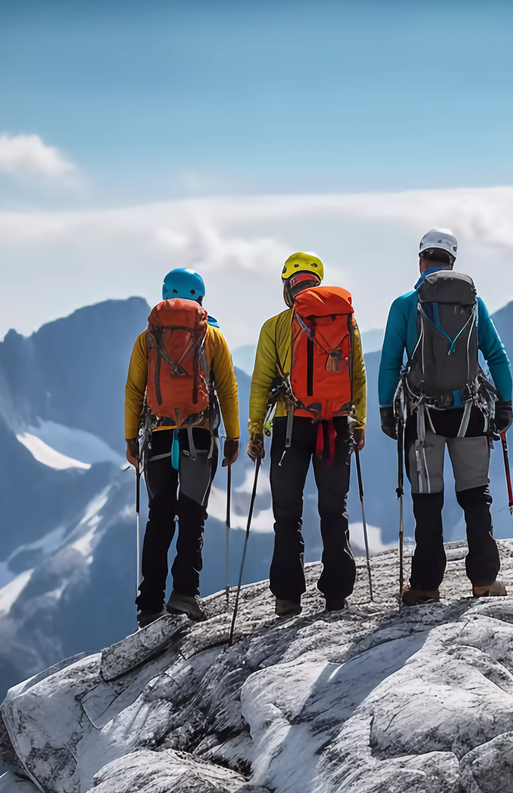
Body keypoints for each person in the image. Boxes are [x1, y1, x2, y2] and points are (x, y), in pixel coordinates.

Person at [378, 228, 513, 604]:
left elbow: (390, 363)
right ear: (452, 261)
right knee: (475, 498)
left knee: (427, 502)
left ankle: (425, 585)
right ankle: (484, 581)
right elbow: (497, 356)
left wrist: (387, 409)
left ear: (422, 260)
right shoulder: (473, 303)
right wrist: (505, 404)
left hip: (423, 418)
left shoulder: (405, 305)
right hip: (470, 412)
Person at [246, 251, 365, 616]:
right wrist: (357, 422)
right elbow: (356, 374)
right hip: (335, 425)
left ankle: (287, 597)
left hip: (289, 425)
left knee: (287, 514)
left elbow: (262, 384)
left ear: (288, 287)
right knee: (334, 510)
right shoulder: (345, 321)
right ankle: (336, 594)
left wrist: (254, 430)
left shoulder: (275, 326)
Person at [124, 268, 239, 627]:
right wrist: (233, 436)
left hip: (157, 438)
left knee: (159, 517)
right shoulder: (212, 336)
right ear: (200, 298)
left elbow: (133, 389)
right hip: (198, 436)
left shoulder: (147, 338)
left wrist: (130, 438)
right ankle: (184, 595)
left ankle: (149, 604)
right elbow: (228, 388)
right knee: (191, 517)